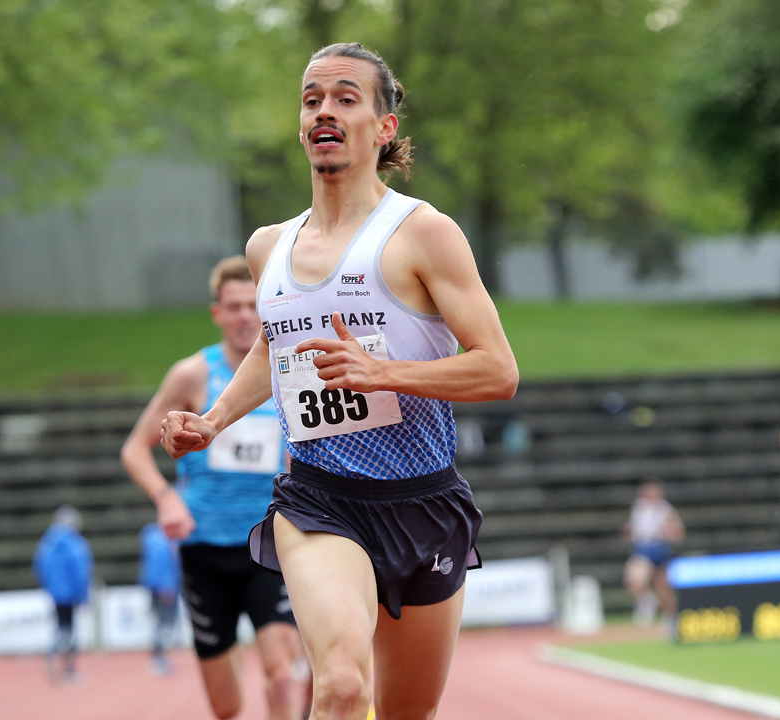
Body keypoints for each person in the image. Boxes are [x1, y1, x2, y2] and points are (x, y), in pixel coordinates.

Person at [160, 42, 518, 720]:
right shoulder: (269, 246)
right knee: (345, 686)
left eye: (346, 98)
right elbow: (272, 349)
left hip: (422, 500)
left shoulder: (423, 233)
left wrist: (386, 372)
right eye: (312, 99)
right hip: (320, 500)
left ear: (383, 128)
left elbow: (499, 369)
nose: (324, 111)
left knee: (406, 711)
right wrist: (214, 419)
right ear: (301, 125)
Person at [121, 256, 307, 720]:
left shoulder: (288, 370)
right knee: (226, 707)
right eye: (234, 306)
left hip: (269, 544)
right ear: (217, 314)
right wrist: (167, 500)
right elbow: (135, 449)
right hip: (204, 550)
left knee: (281, 675)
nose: (245, 315)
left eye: (252, 305)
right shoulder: (192, 375)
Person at [33, 506, 93, 684]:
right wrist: (82, 595)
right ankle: (69, 670)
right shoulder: (76, 544)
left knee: (61, 628)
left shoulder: (46, 543)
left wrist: (50, 588)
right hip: (71, 594)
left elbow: (40, 568)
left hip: (55, 594)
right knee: (69, 631)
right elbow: (81, 573)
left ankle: (53, 658)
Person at [622, 481, 684, 627]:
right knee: (634, 580)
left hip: (659, 548)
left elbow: (678, 532)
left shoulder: (665, 509)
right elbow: (633, 529)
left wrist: (669, 531)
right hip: (643, 548)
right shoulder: (638, 508)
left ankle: (671, 617)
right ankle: (647, 601)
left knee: (663, 588)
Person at [139, 523, 181, 675]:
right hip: (165, 588)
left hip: (156, 586)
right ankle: (159, 660)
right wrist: (166, 585)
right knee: (163, 624)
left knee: (159, 623)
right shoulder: (163, 541)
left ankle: (159, 658)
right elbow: (163, 566)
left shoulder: (152, 538)